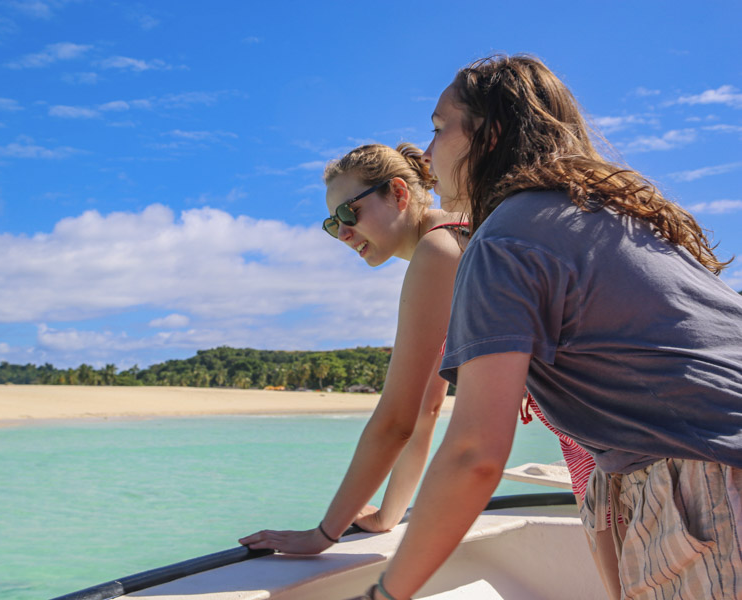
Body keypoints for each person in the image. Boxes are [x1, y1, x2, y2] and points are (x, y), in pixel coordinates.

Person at [357, 54, 742, 600]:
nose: (426, 153)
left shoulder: (503, 241)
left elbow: (474, 454)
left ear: (486, 138)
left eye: (440, 129)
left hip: (710, 477)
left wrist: (384, 594)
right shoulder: (615, 212)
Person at [238, 142, 469, 553]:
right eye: (332, 224)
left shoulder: (438, 249)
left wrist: (323, 534)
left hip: (609, 449)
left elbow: (396, 421)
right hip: (600, 436)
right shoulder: (457, 231)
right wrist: (386, 516)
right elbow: (425, 410)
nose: (343, 234)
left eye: (349, 213)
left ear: (399, 194)